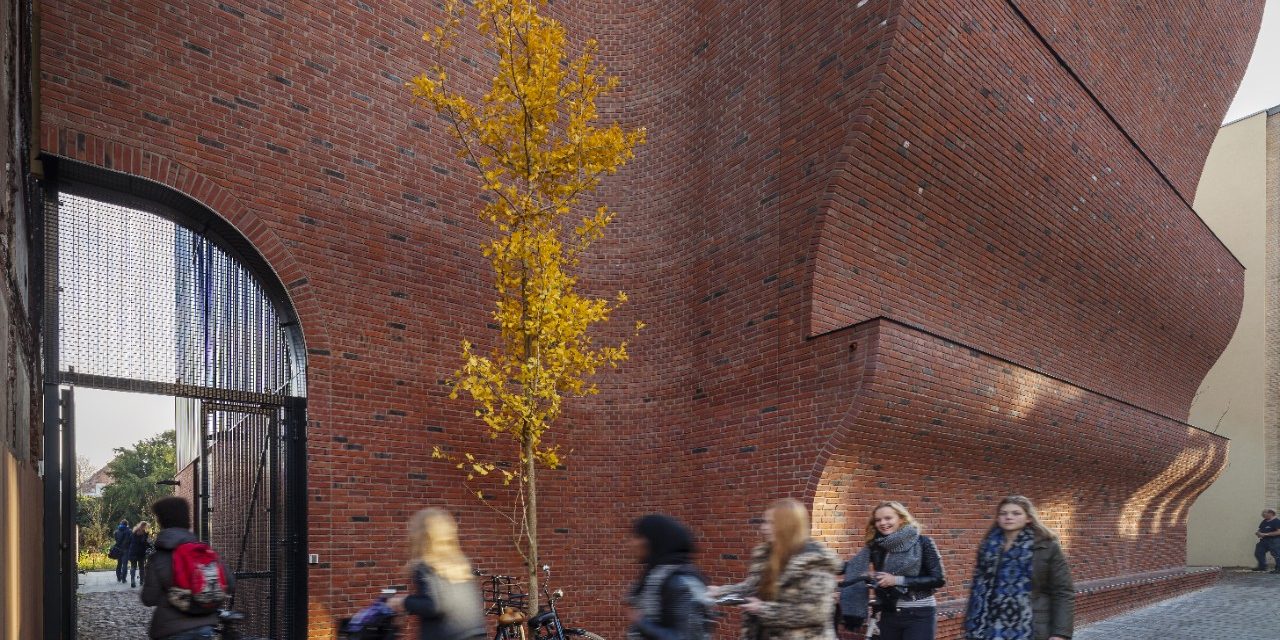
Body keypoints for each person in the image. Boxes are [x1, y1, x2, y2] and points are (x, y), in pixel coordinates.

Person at [707, 498, 841, 640]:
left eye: (770, 523)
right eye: (765, 522)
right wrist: (719, 592)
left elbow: (816, 612)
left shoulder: (815, 561)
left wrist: (763, 609)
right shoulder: (766, 555)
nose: (763, 528)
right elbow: (751, 587)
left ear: (787, 525)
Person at [963, 496, 1073, 640]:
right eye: (1003, 513)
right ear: (997, 518)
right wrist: (971, 625)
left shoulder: (1047, 546)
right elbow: (976, 591)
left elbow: (1062, 591)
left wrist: (1060, 633)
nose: (1009, 517)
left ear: (1028, 518)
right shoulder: (987, 548)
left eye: (1016, 513)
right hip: (989, 627)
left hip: (1031, 627)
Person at [840, 501, 945, 640]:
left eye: (888, 518)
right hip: (889, 613)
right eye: (878, 520)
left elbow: (938, 579)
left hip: (919, 614)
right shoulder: (877, 546)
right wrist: (821, 562)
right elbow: (853, 566)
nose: (883, 523)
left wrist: (896, 580)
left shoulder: (923, 542)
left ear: (901, 519)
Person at [141, 497, 234, 639]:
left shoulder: (159, 557)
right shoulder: (204, 551)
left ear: (161, 521)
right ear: (186, 519)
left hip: (171, 629)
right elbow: (230, 583)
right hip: (206, 628)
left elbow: (149, 598)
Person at [387, 508, 486, 640]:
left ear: (420, 536)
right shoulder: (461, 564)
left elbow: (433, 605)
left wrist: (403, 602)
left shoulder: (427, 565)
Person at [627, 514, 710, 640]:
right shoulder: (653, 577)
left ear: (654, 540)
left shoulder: (681, 582)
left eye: (638, 537)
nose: (632, 543)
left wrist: (641, 622)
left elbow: (688, 637)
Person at [1253, 508, 1280, 573]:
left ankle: (1278, 569)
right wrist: (1258, 533)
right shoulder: (1264, 521)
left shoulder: (1276, 521)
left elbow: (1279, 532)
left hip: (1274, 540)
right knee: (1258, 552)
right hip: (1264, 541)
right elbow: (1260, 530)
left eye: (1265, 512)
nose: (1262, 514)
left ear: (1271, 513)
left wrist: (1265, 534)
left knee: (1276, 554)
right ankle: (1262, 567)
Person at [128, 521, 151, 588]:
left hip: (133, 552)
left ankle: (132, 580)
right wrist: (150, 546)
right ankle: (141, 581)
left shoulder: (134, 532)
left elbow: (129, 542)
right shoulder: (144, 534)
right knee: (141, 568)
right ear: (145, 526)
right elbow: (145, 543)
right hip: (141, 553)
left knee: (133, 567)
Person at [113, 519, 131, 584]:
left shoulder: (116, 531)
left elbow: (116, 540)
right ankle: (124, 579)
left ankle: (118, 578)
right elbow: (130, 540)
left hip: (118, 549)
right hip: (126, 549)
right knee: (125, 565)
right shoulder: (129, 531)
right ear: (127, 524)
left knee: (119, 564)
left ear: (121, 524)